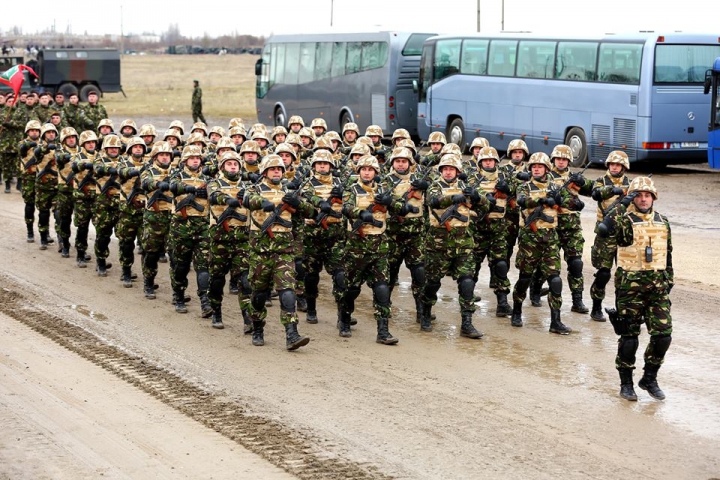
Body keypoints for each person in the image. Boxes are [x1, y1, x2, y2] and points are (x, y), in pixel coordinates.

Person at [600, 176, 673, 401]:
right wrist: (623, 202)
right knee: (629, 337)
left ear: (653, 197)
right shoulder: (624, 220)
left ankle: (649, 377)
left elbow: (668, 253)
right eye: (639, 195)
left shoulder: (663, 221)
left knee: (663, 336)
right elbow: (604, 228)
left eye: (647, 195)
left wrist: (669, 279)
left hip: (657, 288)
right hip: (630, 288)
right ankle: (626, 383)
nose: (643, 199)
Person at [243, 154, 315, 350]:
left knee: (287, 291)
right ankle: (257, 327)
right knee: (258, 294)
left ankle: (292, 333)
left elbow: (311, 212)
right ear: (265, 172)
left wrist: (298, 203)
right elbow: (247, 199)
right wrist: (261, 202)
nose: (277, 172)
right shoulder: (255, 188)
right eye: (273, 169)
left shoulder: (289, 191)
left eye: (279, 169)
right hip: (260, 252)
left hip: (284, 251)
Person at [421, 153, 490, 338]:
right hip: (439, 243)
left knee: (467, 282)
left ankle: (467, 323)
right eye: (445, 169)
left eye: (451, 169)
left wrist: (476, 196)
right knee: (433, 282)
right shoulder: (435, 186)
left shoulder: (465, 187)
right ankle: (425, 311)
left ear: (458, 171)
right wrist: (454, 198)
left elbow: (485, 205)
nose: (448, 172)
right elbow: (433, 201)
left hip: (464, 243)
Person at [511, 152, 572, 335]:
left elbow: (571, 203)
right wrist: (542, 200)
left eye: (540, 166)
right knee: (525, 277)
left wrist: (559, 200)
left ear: (546, 168)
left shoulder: (555, 186)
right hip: (530, 238)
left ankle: (556, 321)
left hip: (550, 239)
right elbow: (522, 201)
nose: (536, 169)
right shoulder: (525, 186)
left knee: (555, 280)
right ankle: (516, 310)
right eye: (534, 166)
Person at [207, 151, 252, 330]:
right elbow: (214, 196)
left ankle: (248, 319)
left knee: (245, 281)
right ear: (222, 167)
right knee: (217, 279)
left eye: (235, 164)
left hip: (242, 240)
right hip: (220, 240)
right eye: (229, 164)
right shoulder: (214, 183)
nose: (233, 167)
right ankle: (216, 312)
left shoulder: (248, 186)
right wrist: (228, 199)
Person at [589, 151, 632, 321]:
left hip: (624, 233)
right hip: (605, 232)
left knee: (625, 274)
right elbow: (596, 194)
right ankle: (596, 306)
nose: (614, 167)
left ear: (624, 167)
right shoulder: (601, 181)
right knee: (604, 272)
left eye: (618, 165)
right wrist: (615, 190)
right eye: (612, 164)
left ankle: (623, 309)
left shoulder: (631, 184)